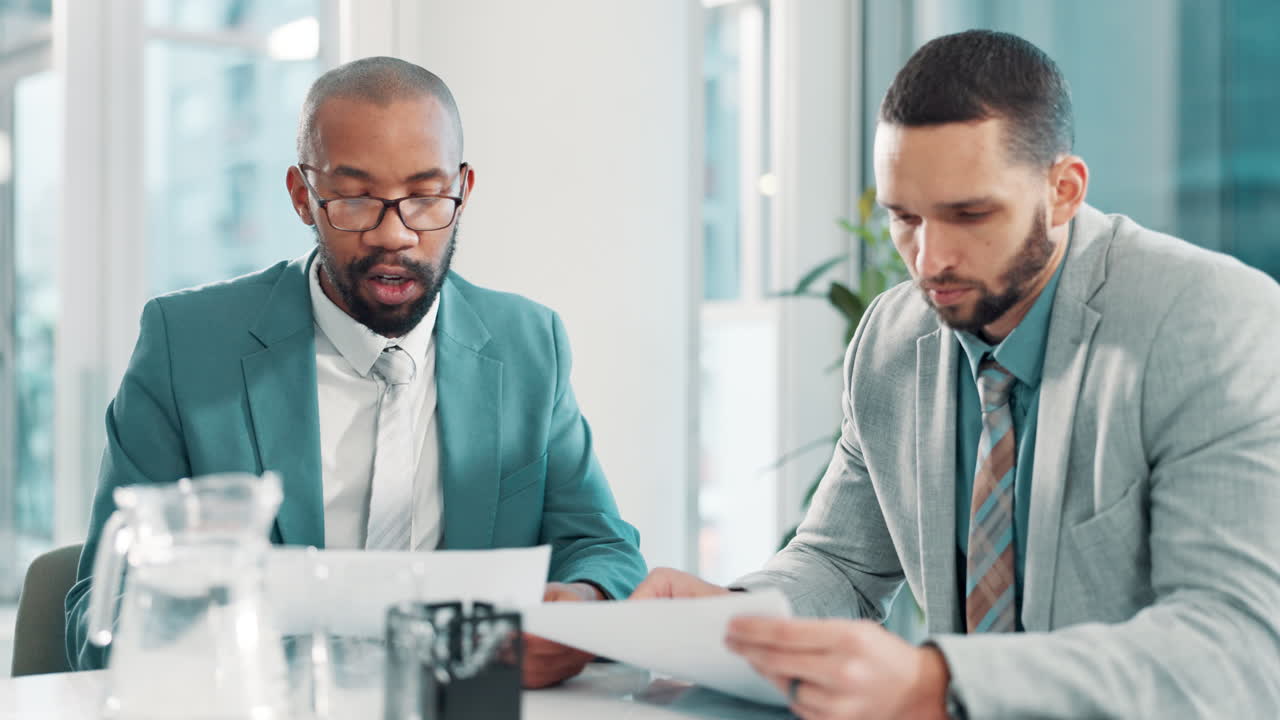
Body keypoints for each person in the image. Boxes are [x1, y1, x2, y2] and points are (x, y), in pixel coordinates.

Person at [633, 29, 1280, 719]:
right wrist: (732, 621)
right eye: (904, 217)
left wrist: (940, 683)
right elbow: (841, 566)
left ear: (1063, 190)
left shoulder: (1211, 320)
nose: (929, 260)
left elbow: (1236, 648)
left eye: (969, 214)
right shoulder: (891, 336)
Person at [65, 57, 647, 687]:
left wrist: (581, 606)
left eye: (426, 198)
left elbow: (602, 546)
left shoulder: (530, 344)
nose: (395, 236)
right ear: (301, 196)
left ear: (464, 190)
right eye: (354, 200)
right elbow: (103, 608)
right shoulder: (186, 346)